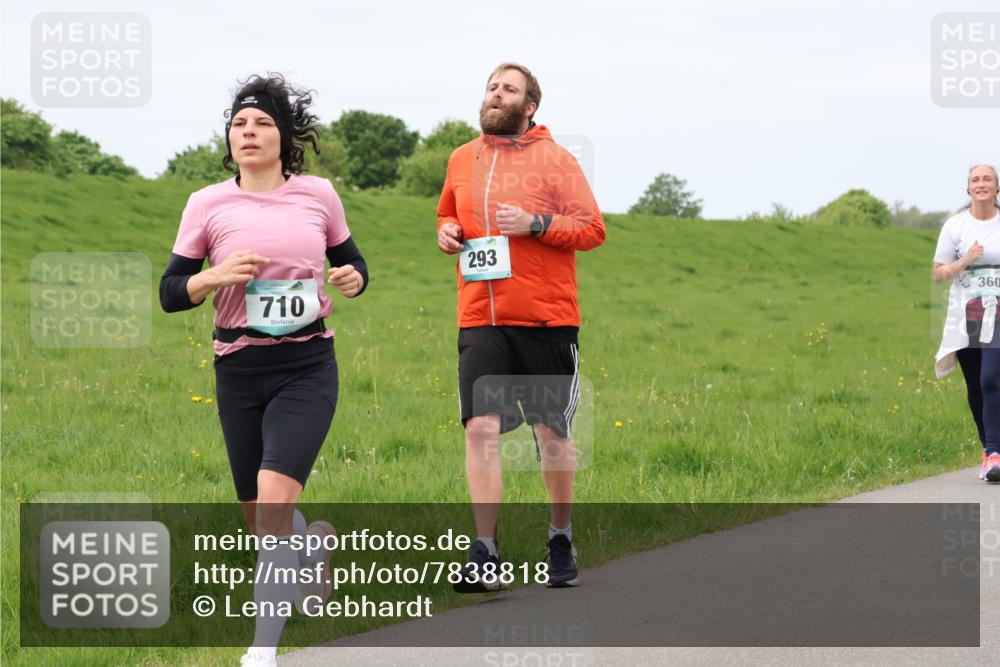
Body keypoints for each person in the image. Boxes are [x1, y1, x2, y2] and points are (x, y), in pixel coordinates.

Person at [159, 73, 369, 666]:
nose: (248, 132)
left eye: (263, 123)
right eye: (239, 124)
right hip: (239, 368)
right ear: (230, 139)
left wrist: (352, 280)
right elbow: (171, 291)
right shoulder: (207, 204)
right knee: (257, 514)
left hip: (306, 365)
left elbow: (352, 265)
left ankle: (260, 653)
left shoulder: (318, 195)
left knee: (274, 500)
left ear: (284, 136)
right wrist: (211, 278)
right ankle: (312, 548)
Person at [436, 63, 606, 591]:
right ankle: (484, 551)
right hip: (481, 317)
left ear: (529, 106)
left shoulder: (556, 160)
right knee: (480, 428)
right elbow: (448, 215)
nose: (495, 94)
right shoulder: (462, 158)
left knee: (550, 433)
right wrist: (446, 231)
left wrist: (536, 225)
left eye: (508, 89)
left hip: (544, 317)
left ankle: (560, 535)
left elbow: (592, 228)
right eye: (491, 86)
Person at [934, 163, 1000, 483]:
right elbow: (939, 274)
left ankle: (995, 450)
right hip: (967, 313)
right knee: (975, 383)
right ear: (969, 189)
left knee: (991, 379)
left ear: (997, 188)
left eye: (988, 179)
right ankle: (989, 451)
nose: (982, 183)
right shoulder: (956, 226)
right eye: (976, 179)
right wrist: (966, 260)